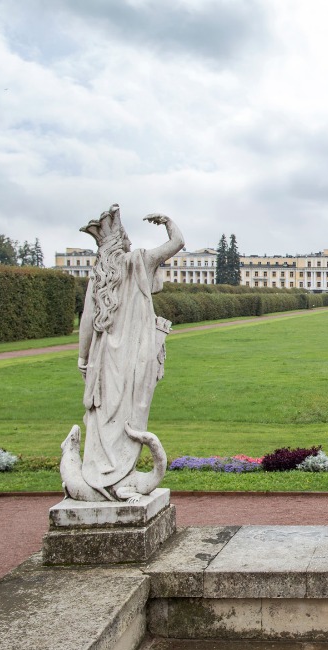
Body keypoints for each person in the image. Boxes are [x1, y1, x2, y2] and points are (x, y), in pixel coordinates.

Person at [74, 204, 184, 500]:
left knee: (102, 415)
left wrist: (83, 357)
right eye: (127, 239)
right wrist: (168, 222)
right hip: (136, 354)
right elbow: (178, 243)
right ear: (122, 243)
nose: (131, 243)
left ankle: (100, 472)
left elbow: (87, 320)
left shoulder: (99, 275)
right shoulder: (140, 261)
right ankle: (122, 473)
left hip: (102, 358)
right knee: (133, 411)